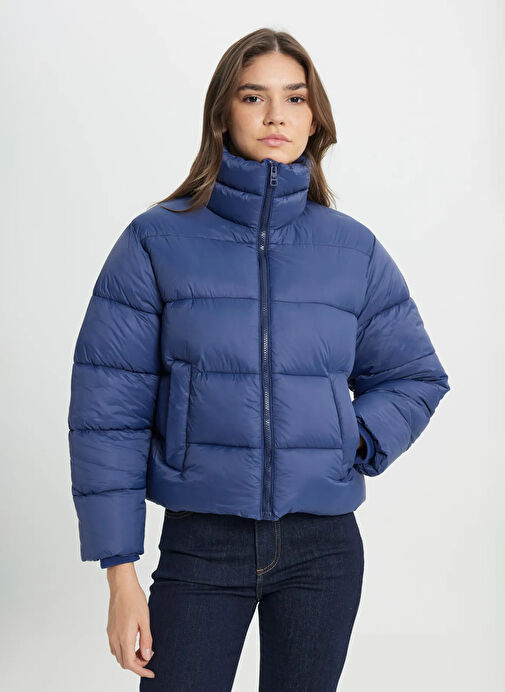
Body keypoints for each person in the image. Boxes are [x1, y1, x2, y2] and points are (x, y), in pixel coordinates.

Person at [67, 27, 450, 691]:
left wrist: (352, 437)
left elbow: (414, 375)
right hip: (200, 544)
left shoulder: (351, 250)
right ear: (223, 113)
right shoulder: (156, 240)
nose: (276, 115)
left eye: (294, 98)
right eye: (253, 96)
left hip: (322, 550)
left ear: (314, 117)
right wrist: (119, 573)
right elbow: (107, 413)